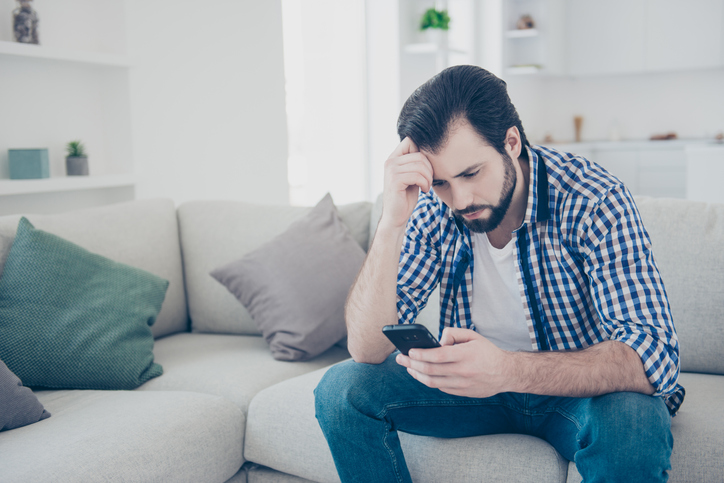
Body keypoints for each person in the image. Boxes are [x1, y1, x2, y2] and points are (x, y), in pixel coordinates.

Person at [314, 65, 684, 482]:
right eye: (440, 183)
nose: (460, 199)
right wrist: (390, 225)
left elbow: (653, 354)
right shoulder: (435, 207)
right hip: (473, 393)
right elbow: (365, 348)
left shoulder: (593, 199)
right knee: (340, 391)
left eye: (472, 173)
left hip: (579, 394)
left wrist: (506, 369)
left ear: (511, 142)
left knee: (632, 423)